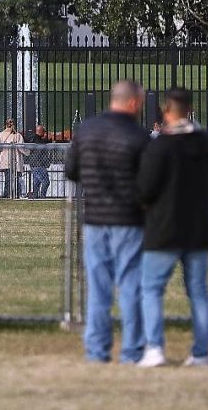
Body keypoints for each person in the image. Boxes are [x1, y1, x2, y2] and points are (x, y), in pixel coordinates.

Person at [63, 79, 151, 364]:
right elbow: (149, 182)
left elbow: (72, 170)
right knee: (131, 286)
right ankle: (132, 351)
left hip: (95, 218)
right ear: (134, 102)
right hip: (129, 219)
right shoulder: (139, 137)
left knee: (98, 289)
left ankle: (97, 350)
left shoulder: (86, 130)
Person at [136, 86, 208, 368]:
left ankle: (155, 349)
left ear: (167, 109)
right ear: (190, 109)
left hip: (165, 226)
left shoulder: (160, 145)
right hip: (199, 226)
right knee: (198, 290)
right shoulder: (206, 144)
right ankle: (201, 353)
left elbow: (145, 188)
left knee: (151, 288)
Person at [24, 123, 53, 198]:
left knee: (37, 182)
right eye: (44, 131)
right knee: (46, 182)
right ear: (41, 131)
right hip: (39, 164)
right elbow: (41, 144)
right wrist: (48, 140)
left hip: (35, 164)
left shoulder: (33, 138)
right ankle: (42, 196)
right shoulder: (36, 139)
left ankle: (35, 196)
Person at [0, 118, 25, 198]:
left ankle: (7, 194)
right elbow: (21, 148)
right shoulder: (17, 135)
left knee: (7, 178)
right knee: (17, 178)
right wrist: (28, 152)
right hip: (15, 159)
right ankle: (16, 194)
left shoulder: (1, 135)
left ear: (5, 124)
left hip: (5, 159)